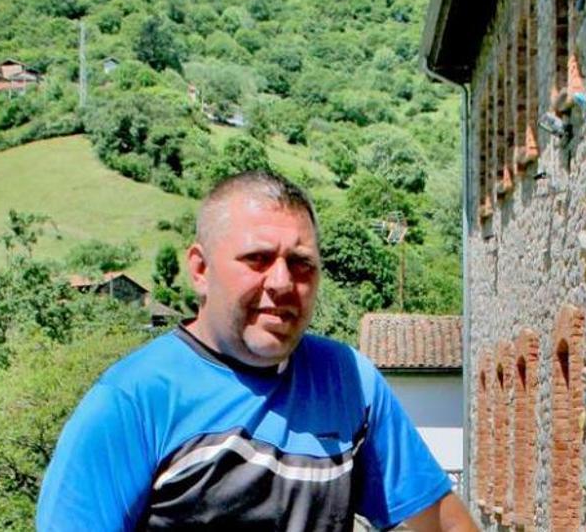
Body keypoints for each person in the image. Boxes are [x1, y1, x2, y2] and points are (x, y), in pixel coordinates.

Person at [37, 171, 476, 531]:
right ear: (200, 269)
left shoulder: (348, 382)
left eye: (302, 264)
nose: (283, 283)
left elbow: (445, 525)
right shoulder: (134, 400)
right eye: (258, 259)